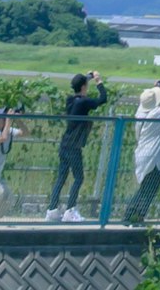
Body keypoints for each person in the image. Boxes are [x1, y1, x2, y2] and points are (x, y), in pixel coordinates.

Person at [50, 73, 108, 220]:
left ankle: (52, 210)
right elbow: (103, 99)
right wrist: (99, 82)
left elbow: (79, 85)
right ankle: (70, 209)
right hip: (74, 147)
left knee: (61, 177)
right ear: (84, 87)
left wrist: (88, 77)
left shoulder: (70, 100)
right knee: (79, 178)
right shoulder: (84, 102)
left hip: (64, 144)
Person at [123, 78, 160, 228]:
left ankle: (134, 216)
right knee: (149, 188)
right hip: (154, 157)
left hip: (143, 153)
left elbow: (149, 100)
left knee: (145, 187)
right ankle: (132, 216)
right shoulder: (158, 113)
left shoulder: (141, 112)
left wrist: (155, 88)